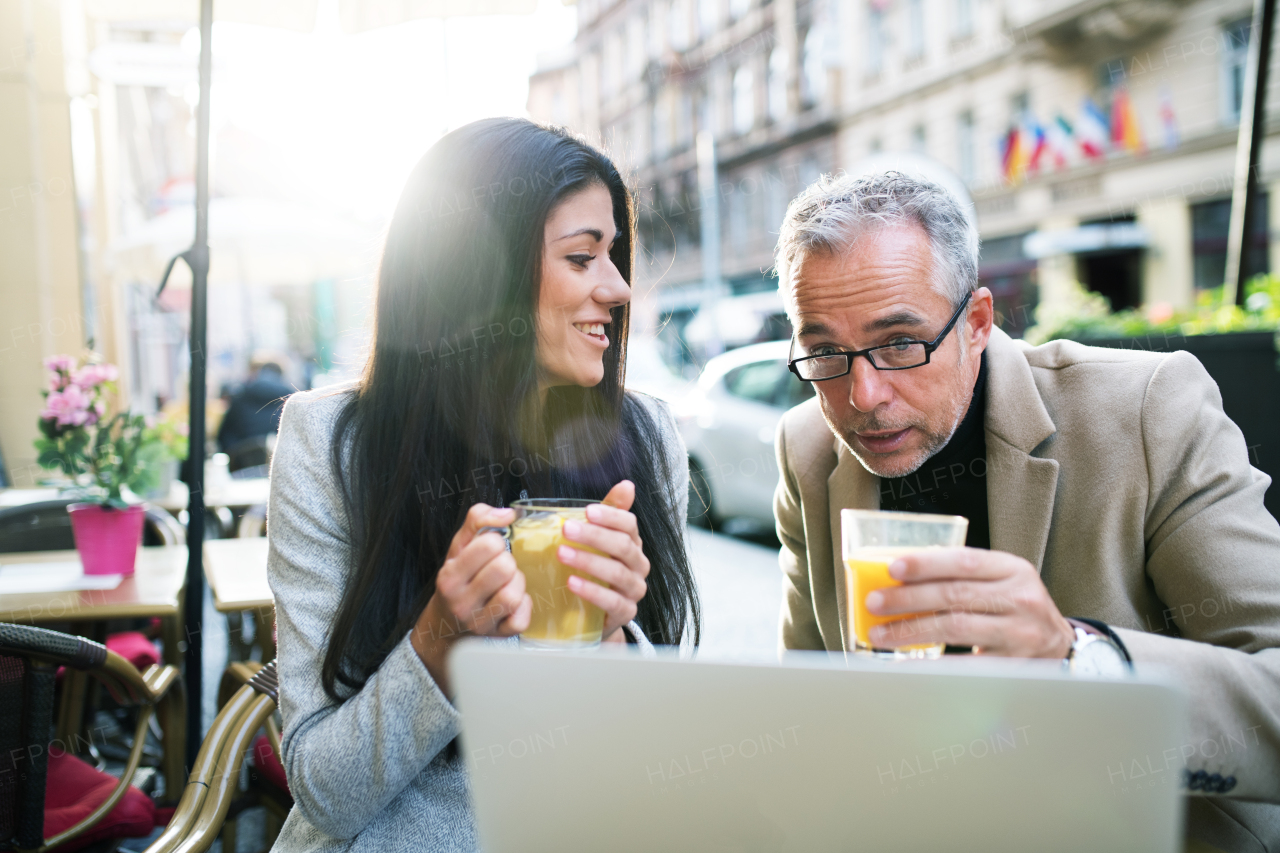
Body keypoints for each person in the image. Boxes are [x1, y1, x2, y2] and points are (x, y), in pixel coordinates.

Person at [772, 171, 1279, 849]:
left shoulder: (1149, 410)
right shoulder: (808, 447)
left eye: (899, 343)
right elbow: (807, 702)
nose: (863, 395)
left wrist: (1076, 658)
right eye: (825, 352)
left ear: (977, 322)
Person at [266, 118, 700, 852]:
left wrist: (611, 642)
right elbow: (324, 792)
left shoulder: (647, 439)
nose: (619, 288)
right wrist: (440, 639)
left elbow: (655, 765)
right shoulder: (331, 444)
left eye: (615, 256)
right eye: (583, 257)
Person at [216, 356, 294, 455]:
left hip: (243, 463)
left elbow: (223, 436)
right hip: (280, 459)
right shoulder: (292, 400)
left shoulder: (240, 397)